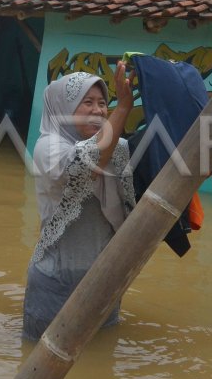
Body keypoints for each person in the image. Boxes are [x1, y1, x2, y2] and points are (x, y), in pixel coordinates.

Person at [22, 62, 135, 340]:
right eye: (87, 102)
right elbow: (88, 164)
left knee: (99, 368)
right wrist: (122, 109)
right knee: (39, 364)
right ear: (64, 108)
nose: (98, 110)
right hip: (55, 284)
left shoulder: (117, 149)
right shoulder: (47, 148)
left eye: (102, 103)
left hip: (103, 285)